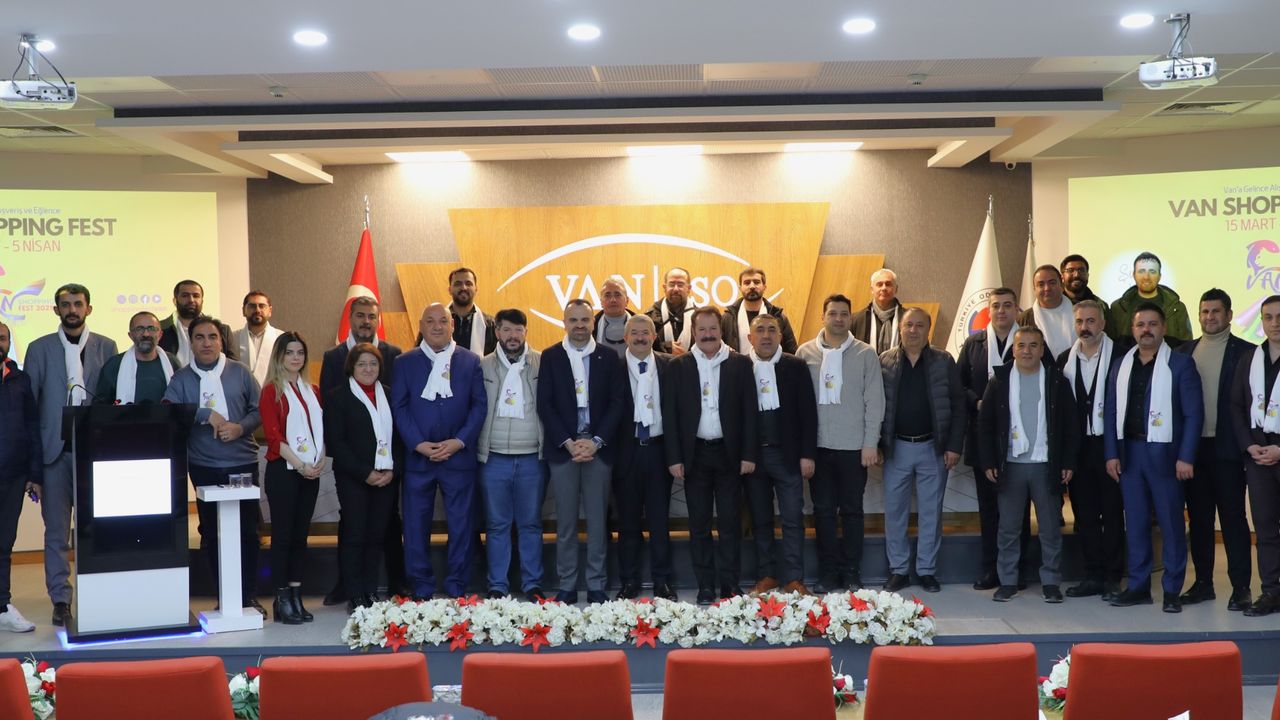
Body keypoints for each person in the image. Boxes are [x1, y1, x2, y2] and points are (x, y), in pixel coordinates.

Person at [24, 283, 118, 627]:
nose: (72, 310)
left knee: (97, 531)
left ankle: (99, 595)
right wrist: (33, 469)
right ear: (56, 310)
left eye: (78, 304)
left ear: (88, 308)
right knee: (56, 534)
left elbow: (112, 401)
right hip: (54, 456)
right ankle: (61, 600)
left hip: (94, 455)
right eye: (65, 304)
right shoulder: (39, 348)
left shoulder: (107, 347)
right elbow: (30, 412)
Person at [161, 315, 265, 616]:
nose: (206, 343)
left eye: (212, 337)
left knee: (247, 532)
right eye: (199, 337)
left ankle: (248, 595)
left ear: (221, 341)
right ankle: (225, 595)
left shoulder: (240, 372)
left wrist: (240, 428)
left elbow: (259, 410)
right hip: (204, 465)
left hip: (242, 462)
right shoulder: (181, 379)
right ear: (191, 342)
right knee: (212, 533)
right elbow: (170, 412)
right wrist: (204, 414)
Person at [1104, 303, 1203, 613]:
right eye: (1140, 324)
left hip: (1166, 456)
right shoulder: (1120, 365)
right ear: (1133, 329)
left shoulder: (1181, 365)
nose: (1146, 330)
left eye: (1152, 324)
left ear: (1163, 328)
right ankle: (1138, 586)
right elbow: (1110, 412)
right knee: (1134, 524)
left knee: (1171, 524)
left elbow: (1194, 414)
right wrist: (1111, 453)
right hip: (1129, 454)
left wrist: (1186, 457)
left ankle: (1172, 590)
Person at [663, 306, 757, 604]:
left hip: (730, 456)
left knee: (730, 523)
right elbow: (670, 416)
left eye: (712, 328)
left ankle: (730, 584)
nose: (707, 334)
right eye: (701, 329)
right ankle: (705, 585)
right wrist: (674, 458)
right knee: (699, 524)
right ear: (694, 332)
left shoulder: (740, 364)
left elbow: (750, 413)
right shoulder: (678, 366)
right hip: (695, 456)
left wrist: (748, 454)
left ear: (721, 330)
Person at [392, 303, 486, 599]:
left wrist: (459, 441)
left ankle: (457, 584)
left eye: (443, 321)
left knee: (462, 526)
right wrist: (418, 444)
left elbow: (479, 406)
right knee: (415, 526)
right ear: (421, 326)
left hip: (458, 457)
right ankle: (421, 586)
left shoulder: (470, 361)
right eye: (430, 321)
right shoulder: (404, 362)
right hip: (419, 458)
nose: (436, 326)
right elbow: (399, 407)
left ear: (452, 326)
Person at [979, 326, 1080, 603]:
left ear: (1042, 349)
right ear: (1013, 349)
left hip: (1046, 465)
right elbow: (985, 425)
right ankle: (1008, 581)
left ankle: (1051, 582)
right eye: (1021, 345)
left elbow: (1071, 425)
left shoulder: (1057, 381)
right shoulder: (999, 381)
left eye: (1033, 345)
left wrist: (1068, 461)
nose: (1027, 351)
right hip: (1010, 465)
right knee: (1008, 528)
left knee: (1050, 528)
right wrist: (988, 461)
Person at [318, 296, 406, 605]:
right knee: (355, 533)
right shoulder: (338, 396)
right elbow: (336, 440)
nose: (368, 368)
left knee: (377, 534)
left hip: (386, 475)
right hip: (354, 476)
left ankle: (370, 589)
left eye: (373, 364)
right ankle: (354, 591)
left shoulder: (390, 394)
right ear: (351, 367)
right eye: (362, 364)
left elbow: (400, 436)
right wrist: (365, 472)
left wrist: (392, 469)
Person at [537, 299, 625, 604]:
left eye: (584, 320)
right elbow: (545, 404)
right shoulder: (551, 356)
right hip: (565, 449)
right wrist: (568, 442)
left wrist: (596, 441)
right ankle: (568, 584)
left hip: (598, 449)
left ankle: (596, 583)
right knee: (566, 523)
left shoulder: (608, 356)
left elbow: (617, 403)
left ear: (593, 322)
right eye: (573, 320)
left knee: (598, 522)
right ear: (564, 323)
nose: (578, 325)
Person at [796, 294, 885, 592]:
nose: (838, 318)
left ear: (850, 318)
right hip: (818, 448)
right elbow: (800, 404)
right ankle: (828, 573)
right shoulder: (805, 352)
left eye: (844, 314)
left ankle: (851, 572)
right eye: (832, 313)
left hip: (854, 448)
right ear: (822, 316)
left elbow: (875, 401)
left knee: (852, 512)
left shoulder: (865, 353)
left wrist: (870, 443)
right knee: (822, 512)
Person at [1175, 289, 1253, 611]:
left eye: (1216, 311)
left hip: (1228, 450)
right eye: (1205, 311)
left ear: (1229, 315)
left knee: (1233, 520)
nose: (1210, 317)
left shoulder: (1247, 352)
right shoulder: (1183, 352)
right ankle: (1203, 584)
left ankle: (1241, 588)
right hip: (1193, 450)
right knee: (1200, 520)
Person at [878, 307, 965, 593]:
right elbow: (877, 405)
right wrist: (878, 445)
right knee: (895, 512)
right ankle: (899, 570)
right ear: (900, 328)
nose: (913, 330)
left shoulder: (944, 361)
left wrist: (953, 446)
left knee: (931, 513)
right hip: (897, 449)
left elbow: (958, 405)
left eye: (919, 325)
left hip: (932, 449)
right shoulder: (885, 361)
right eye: (908, 325)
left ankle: (927, 570)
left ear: (929, 330)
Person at [958, 287, 1031, 591]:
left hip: (1022, 438)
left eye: (1007, 305)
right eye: (996, 306)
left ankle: (1018, 569)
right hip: (984, 438)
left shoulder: (1029, 341)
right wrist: (978, 401)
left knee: (1018, 510)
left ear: (1017, 310)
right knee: (989, 510)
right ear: (988, 311)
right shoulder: (974, 344)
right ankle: (991, 569)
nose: (1001, 311)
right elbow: (959, 385)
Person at [1056, 300, 1127, 599]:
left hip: (1110, 445)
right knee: (1084, 515)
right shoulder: (1064, 359)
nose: (1084, 327)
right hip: (1079, 448)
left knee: (1112, 514)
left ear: (1103, 324)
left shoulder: (1121, 356)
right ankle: (1092, 575)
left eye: (1091, 321)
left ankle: (1113, 576)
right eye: (1079, 321)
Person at [744, 314, 817, 595]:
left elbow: (808, 413)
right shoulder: (740, 367)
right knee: (760, 520)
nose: (766, 335)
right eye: (760, 330)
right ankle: (767, 575)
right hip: (753, 458)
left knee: (792, 519)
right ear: (750, 337)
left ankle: (794, 578)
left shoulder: (795, 366)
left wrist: (807, 454)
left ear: (780, 336)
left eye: (771, 330)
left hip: (788, 456)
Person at [477, 309, 546, 602]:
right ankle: (497, 585)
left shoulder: (541, 362)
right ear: (497, 333)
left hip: (532, 456)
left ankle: (532, 583)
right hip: (494, 458)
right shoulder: (483, 366)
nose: (512, 336)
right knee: (497, 525)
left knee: (530, 524)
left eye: (518, 330)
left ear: (526, 332)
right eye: (506, 330)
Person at [258, 332, 325, 624]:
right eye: (289, 353)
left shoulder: (313, 390)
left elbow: (320, 431)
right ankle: (281, 599)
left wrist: (319, 460)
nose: (296, 358)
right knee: (283, 537)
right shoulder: (271, 391)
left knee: (300, 537)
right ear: (279, 356)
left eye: (300, 353)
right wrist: (300, 465)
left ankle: (296, 596)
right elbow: (274, 437)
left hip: (310, 472)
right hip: (284, 472)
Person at [613, 314, 677, 600]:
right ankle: (629, 581)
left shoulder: (670, 366)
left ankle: (663, 581)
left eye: (645, 333)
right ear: (626, 337)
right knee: (627, 522)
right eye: (635, 333)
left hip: (659, 451)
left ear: (654, 336)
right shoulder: (613, 368)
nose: (640, 338)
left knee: (659, 521)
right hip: (625, 453)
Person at [1230, 295, 1280, 617]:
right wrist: (1249, 446)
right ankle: (1271, 591)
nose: (1275, 323)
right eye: (1269, 317)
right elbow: (1236, 406)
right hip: (1257, 454)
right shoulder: (1249, 359)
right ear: (1261, 321)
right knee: (1264, 527)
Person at [0, 322, 41, 632]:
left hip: (13, 475)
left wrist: (33, 473)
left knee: (4, 543)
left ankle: (2, 606)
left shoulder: (20, 379)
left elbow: (32, 427)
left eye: (2, 338)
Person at [1108, 253, 1193, 345]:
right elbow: (1109, 344)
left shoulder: (1177, 308)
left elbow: (1186, 345)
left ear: (1160, 276)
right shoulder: (1118, 308)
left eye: (1152, 272)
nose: (1146, 277)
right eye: (1141, 271)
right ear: (1134, 275)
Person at [95, 311, 177, 404]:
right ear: (130, 335)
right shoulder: (114, 365)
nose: (146, 334)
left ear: (160, 335)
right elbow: (100, 406)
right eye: (139, 329)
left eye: (151, 328)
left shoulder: (172, 362)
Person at [721, 267, 798, 354]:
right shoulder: (727, 318)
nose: (752, 286)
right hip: (737, 363)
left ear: (764, 287)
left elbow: (792, 352)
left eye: (756, 282)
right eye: (747, 283)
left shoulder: (778, 317)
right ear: (740, 288)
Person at [160, 280, 235, 366]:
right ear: (175, 300)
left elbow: (233, 367)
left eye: (196, 296)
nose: (191, 300)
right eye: (185, 296)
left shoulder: (223, 330)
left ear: (202, 301)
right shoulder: (160, 329)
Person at [1018, 265, 1076, 359]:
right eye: (1041, 284)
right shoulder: (1022, 320)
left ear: (1062, 285)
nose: (1047, 288)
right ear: (1034, 289)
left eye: (1052, 283)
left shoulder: (1080, 313)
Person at [234, 291, 283, 387]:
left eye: (262, 306)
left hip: (274, 392)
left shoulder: (281, 338)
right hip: (242, 392)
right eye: (252, 306)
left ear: (270, 311)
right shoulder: (233, 338)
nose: (257, 310)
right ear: (243, 310)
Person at [646, 267, 698, 355]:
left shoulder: (699, 317)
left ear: (689, 288)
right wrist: (664, 346)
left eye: (680, 284)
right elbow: (643, 346)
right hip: (661, 364)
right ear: (664, 287)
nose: (676, 289)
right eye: (672, 284)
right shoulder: (650, 317)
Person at [852, 269, 904, 354]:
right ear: (872, 289)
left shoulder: (908, 319)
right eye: (879, 284)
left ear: (896, 289)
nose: (884, 288)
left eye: (888, 284)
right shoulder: (856, 320)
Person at [448, 267, 497, 356]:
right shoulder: (434, 323)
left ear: (476, 289)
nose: (463, 288)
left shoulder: (491, 325)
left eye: (468, 283)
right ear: (450, 290)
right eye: (458, 284)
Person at [1060, 254, 1112, 337]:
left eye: (1081, 270)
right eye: (1070, 270)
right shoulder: (1054, 305)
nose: (1076, 275)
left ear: (1087, 275)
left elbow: (1108, 337)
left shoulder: (1101, 306)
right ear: (1062, 277)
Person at [591, 278, 635, 358]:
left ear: (627, 300)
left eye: (617, 295)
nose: (613, 300)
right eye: (607, 295)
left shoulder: (643, 326)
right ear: (601, 302)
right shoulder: (591, 327)